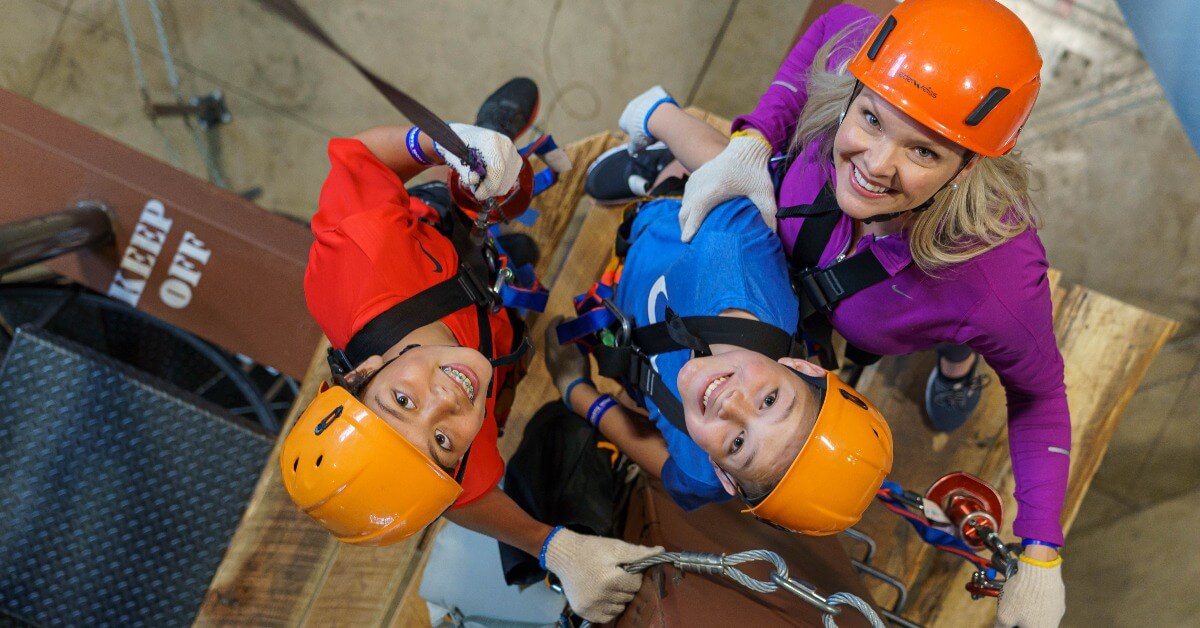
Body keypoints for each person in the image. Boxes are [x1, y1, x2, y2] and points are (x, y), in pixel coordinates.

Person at [605, 1, 1068, 626]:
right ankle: (658, 172)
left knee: (965, 334)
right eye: (871, 118)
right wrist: (753, 140)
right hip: (787, 280)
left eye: (925, 152)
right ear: (853, 90)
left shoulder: (996, 279)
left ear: (970, 166)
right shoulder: (858, 45)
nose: (877, 165)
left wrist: (1040, 547)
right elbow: (828, 29)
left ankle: (956, 366)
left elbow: (1038, 394)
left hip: (908, 314)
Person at [279, 78, 661, 624]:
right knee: (505, 267)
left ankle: (486, 140)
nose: (445, 402)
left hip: (424, 242)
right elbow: (468, 501)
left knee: (487, 184)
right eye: (440, 441)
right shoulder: (454, 461)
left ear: (362, 371)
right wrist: (554, 547)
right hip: (483, 321)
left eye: (402, 402)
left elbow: (363, 158)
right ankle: (499, 263)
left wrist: (436, 145)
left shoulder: (359, 261)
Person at [544, 187, 893, 536]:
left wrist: (577, 392)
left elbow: (674, 473)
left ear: (725, 477)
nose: (731, 405)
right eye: (769, 401)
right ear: (803, 368)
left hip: (621, 312)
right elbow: (711, 186)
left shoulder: (702, 470)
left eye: (738, 443)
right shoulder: (732, 247)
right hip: (650, 229)